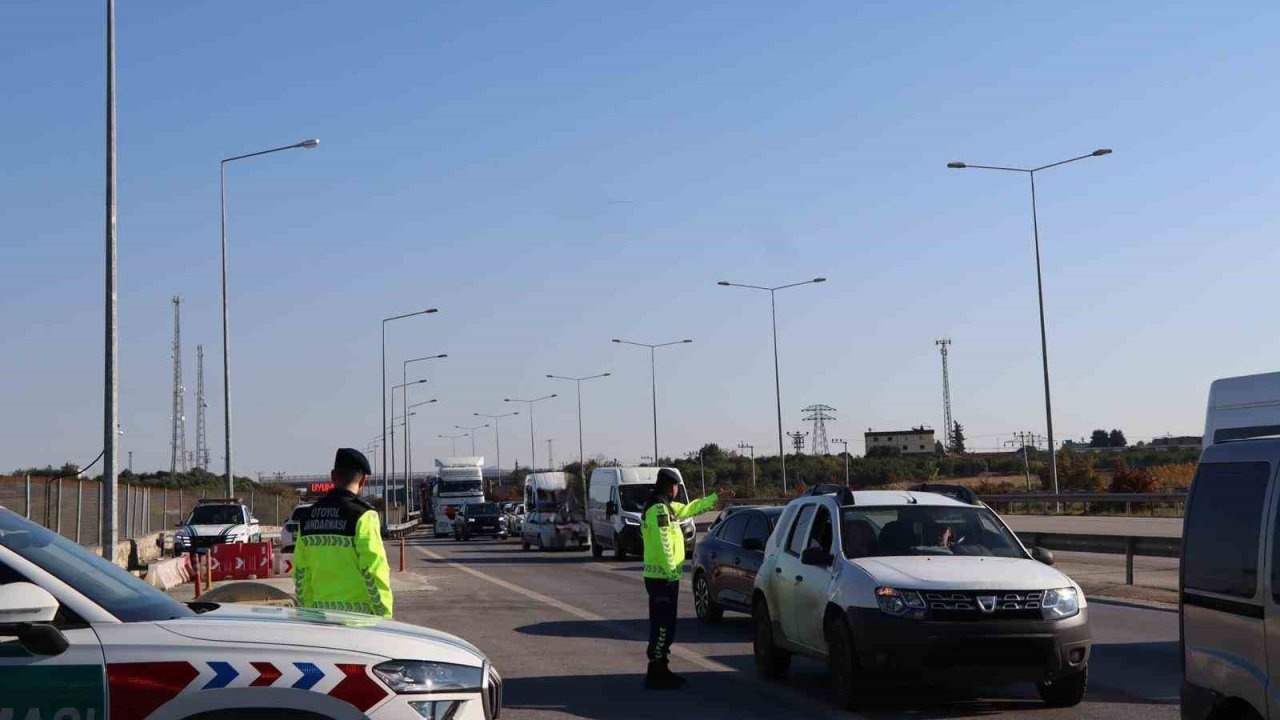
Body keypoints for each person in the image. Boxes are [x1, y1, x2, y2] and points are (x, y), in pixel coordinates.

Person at [641, 468, 718, 690]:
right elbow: (664, 543)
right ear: (669, 486)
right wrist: (672, 572)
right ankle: (656, 671)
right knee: (663, 625)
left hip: (665, 577)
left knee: (667, 624)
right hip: (662, 577)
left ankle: (661, 668)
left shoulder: (666, 506)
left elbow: (688, 509)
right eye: (675, 486)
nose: (676, 491)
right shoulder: (658, 509)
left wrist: (715, 498)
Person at [292, 448, 393, 617]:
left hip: (319, 619)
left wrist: (307, 614)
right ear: (363, 481)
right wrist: (385, 617)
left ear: (333, 476)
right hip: (359, 623)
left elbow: (301, 572)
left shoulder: (308, 516)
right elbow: (374, 570)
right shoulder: (364, 515)